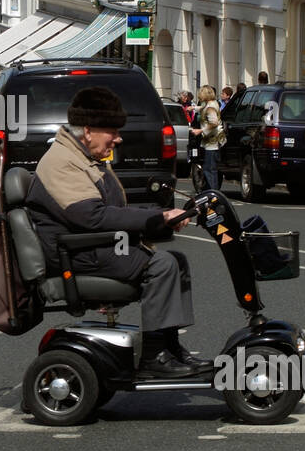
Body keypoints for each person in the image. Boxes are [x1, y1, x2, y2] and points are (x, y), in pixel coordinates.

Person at [25, 87, 210, 379]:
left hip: (92, 247)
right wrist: (157, 217)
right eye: (112, 130)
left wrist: (162, 216)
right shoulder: (62, 162)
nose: (118, 137)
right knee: (162, 265)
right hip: (77, 253)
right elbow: (93, 216)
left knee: (177, 260)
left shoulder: (83, 157)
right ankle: (154, 356)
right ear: (88, 130)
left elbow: (113, 208)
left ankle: (169, 347)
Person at [191, 84, 224, 190]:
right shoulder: (212, 103)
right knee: (211, 169)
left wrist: (200, 130)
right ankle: (213, 191)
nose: (199, 95)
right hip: (213, 141)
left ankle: (213, 192)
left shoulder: (210, 108)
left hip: (212, 142)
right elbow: (203, 108)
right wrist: (194, 108)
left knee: (209, 169)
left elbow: (213, 123)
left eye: (200, 93)